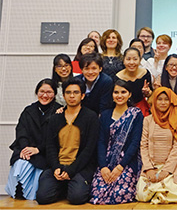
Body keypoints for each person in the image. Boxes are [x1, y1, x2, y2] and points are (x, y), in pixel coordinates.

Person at [36, 77, 99, 205]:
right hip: (57, 166)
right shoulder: (55, 118)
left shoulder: (91, 117)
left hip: (80, 167)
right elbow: (50, 146)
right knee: (42, 198)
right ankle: (63, 186)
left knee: (76, 198)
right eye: (68, 93)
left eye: (76, 93)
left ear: (82, 96)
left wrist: (71, 170)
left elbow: (89, 150)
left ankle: (69, 185)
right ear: (64, 96)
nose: (72, 96)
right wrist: (56, 168)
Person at [5, 79, 61, 200]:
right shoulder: (28, 111)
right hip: (26, 151)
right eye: (41, 91)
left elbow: (57, 139)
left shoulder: (59, 111)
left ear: (55, 94)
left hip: (46, 152)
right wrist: (26, 149)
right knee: (20, 165)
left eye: (49, 92)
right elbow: (21, 131)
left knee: (39, 178)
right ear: (36, 92)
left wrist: (38, 149)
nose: (45, 95)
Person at [90, 80, 144, 204]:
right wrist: (103, 167)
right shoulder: (104, 115)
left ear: (129, 94)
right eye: (116, 92)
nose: (119, 95)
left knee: (122, 192)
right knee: (97, 192)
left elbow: (135, 143)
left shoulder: (136, 115)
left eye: (123, 92)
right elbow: (101, 142)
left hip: (127, 162)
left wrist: (120, 167)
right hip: (107, 161)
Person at [136, 87, 177, 204]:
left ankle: (157, 193)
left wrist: (166, 170)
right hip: (151, 166)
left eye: (166, 99)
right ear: (154, 101)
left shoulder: (176, 120)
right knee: (141, 195)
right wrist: (149, 168)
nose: (163, 102)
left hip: (169, 167)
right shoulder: (148, 120)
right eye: (160, 99)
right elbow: (143, 146)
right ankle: (159, 193)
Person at [116, 48, 153, 116]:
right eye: (128, 59)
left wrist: (147, 93)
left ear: (140, 60)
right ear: (123, 60)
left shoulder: (145, 73)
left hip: (142, 109)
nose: (132, 62)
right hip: (123, 109)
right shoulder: (117, 77)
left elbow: (151, 94)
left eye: (135, 59)